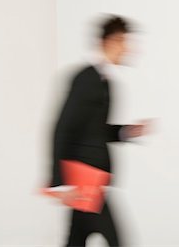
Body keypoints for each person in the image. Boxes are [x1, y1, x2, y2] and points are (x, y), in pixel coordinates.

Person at [44, 14, 151, 246]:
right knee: (117, 241)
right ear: (111, 41)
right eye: (124, 42)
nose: (128, 49)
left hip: (92, 184)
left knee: (76, 240)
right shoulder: (86, 79)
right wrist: (62, 184)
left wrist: (125, 131)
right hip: (86, 185)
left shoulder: (104, 82)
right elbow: (62, 129)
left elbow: (95, 131)